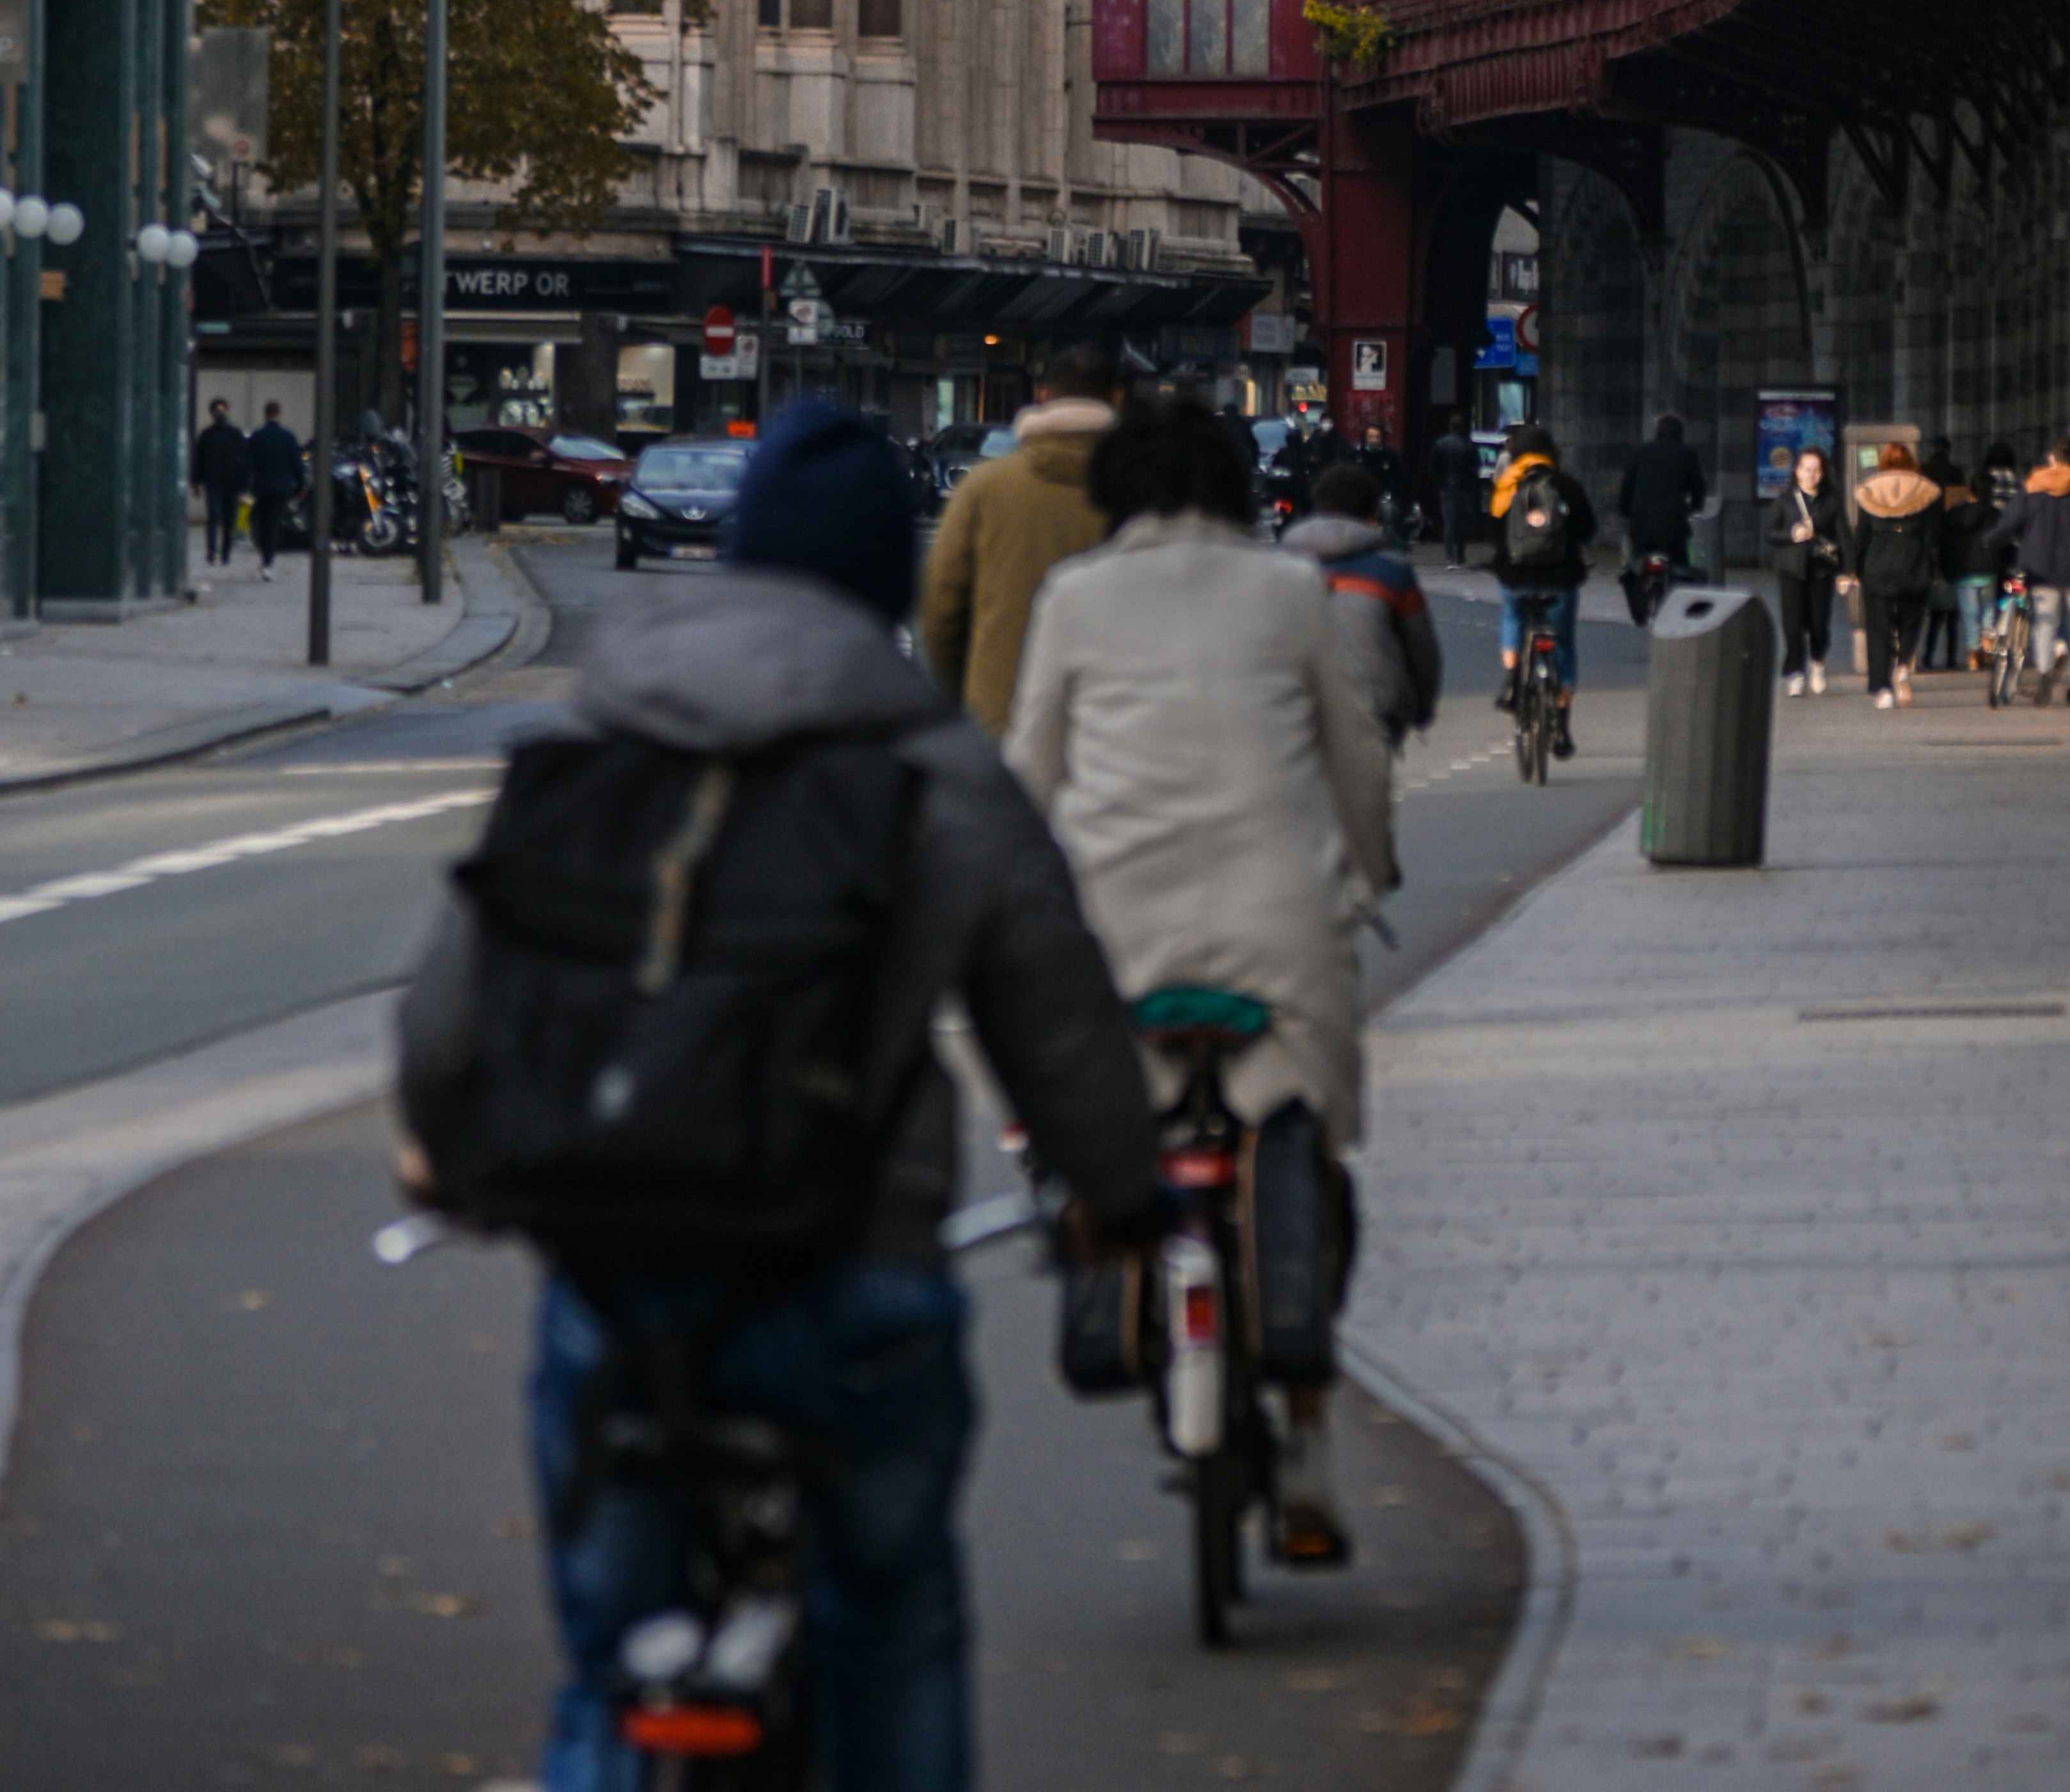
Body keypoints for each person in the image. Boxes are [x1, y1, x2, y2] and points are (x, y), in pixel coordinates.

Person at [396, 400, 1161, 1792]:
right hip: (853, 1275)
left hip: (623, 1276)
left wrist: (436, 1155)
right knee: (895, 1614)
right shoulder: (939, 769)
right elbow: (1056, 1016)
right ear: (884, 580)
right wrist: (1118, 1195)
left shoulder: (607, 730)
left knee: (610, 1657)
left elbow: (458, 988)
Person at [1007, 389, 1393, 1564]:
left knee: (1100, 1125)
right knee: (1308, 1152)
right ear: (1233, 485)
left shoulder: (1074, 598)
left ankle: (1115, 1254)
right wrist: (1364, 879)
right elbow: (1356, 757)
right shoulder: (1286, 592)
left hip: (1119, 936)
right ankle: (1312, 1448)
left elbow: (1030, 768)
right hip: (1278, 930)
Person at [916, 342, 1120, 735]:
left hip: (999, 720)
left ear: (1043, 396)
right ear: (1117, 399)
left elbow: (941, 609)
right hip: (1109, 733)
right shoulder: (1142, 493)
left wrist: (965, 695)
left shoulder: (984, 488)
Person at [1286, 462, 1443, 749]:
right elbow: (1422, 648)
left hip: (1295, 709)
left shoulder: (1278, 567)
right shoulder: (1392, 570)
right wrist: (1422, 709)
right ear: (1373, 516)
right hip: (1376, 711)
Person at [1487, 421, 1597, 754]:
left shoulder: (1508, 485)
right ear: (1551, 453)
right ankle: (1561, 723)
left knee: (1513, 617)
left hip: (1517, 577)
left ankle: (1511, 683)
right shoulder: (1566, 486)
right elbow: (1587, 530)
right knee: (1563, 645)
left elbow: (1492, 531)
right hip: (1560, 579)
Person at [1988, 437, 2070, 706]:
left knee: (2044, 625)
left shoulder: (2032, 486)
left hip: (2039, 568)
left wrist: (1991, 542)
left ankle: (2044, 673)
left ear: (2051, 459)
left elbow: (2010, 522)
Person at [1847, 442, 1942, 709]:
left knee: (1879, 629)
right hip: (1915, 563)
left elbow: (1862, 534)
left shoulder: (1871, 490)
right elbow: (1934, 537)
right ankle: (1903, 665)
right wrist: (1933, 569)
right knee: (1911, 622)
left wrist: (1853, 567)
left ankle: (1883, 688)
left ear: (1884, 463)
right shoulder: (1928, 491)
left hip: (1877, 565)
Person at [1764, 444, 1842, 696]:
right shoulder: (1785, 501)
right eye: (1807, 469)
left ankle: (1817, 662)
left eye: (1817, 470)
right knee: (1793, 625)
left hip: (1821, 571)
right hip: (1791, 570)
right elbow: (1769, 533)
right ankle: (1795, 673)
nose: (1812, 475)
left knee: (1819, 625)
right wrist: (1792, 534)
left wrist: (1849, 571)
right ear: (1797, 471)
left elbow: (1844, 536)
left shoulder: (1831, 501)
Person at [1617, 411, 1710, 608]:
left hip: (1642, 526)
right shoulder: (1687, 453)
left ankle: (1637, 604)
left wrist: (1626, 510)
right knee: (1682, 565)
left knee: (1634, 564)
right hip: (1673, 526)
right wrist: (1692, 508)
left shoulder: (1641, 453)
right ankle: (1682, 606)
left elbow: (1627, 490)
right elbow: (1698, 489)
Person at [1929, 439, 1997, 670]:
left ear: (1970, 489)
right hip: (1988, 569)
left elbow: (1946, 542)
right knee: (1989, 608)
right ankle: (1988, 638)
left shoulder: (1954, 514)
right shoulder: (1994, 514)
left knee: (1969, 614)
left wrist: (1945, 567)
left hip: (1963, 572)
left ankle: (1972, 655)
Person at [244, 398, 307, 579]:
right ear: (279, 414)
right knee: (274, 523)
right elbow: (297, 464)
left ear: (265, 414)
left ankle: (265, 557)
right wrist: (301, 485)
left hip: (262, 486)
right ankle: (269, 562)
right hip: (282, 487)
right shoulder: (288, 437)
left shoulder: (257, 437)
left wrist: (247, 485)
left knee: (262, 522)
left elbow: (249, 464)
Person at [191, 397, 252, 569]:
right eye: (217, 410)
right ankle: (212, 552)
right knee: (214, 517)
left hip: (231, 483)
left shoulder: (234, 435)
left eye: (222, 409)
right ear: (212, 413)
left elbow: (245, 461)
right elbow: (199, 460)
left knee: (228, 520)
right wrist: (196, 482)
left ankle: (224, 552)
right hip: (214, 483)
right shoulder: (208, 436)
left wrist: (244, 484)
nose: (220, 412)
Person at [1429, 412, 1481, 565]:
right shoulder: (1469, 445)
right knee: (1462, 523)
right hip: (1464, 488)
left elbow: (1433, 467)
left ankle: (1449, 555)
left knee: (1449, 522)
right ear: (1463, 427)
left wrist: (1439, 482)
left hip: (1447, 487)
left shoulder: (1440, 444)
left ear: (1450, 427)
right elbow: (1475, 467)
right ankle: (1461, 554)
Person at [1351, 419, 1409, 536]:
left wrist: (1392, 494)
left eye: (1377, 436)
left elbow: (1400, 479)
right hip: (1361, 497)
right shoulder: (1357, 455)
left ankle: (1387, 542)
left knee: (1389, 512)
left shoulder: (1390, 456)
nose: (1374, 439)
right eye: (1371, 436)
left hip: (1384, 497)